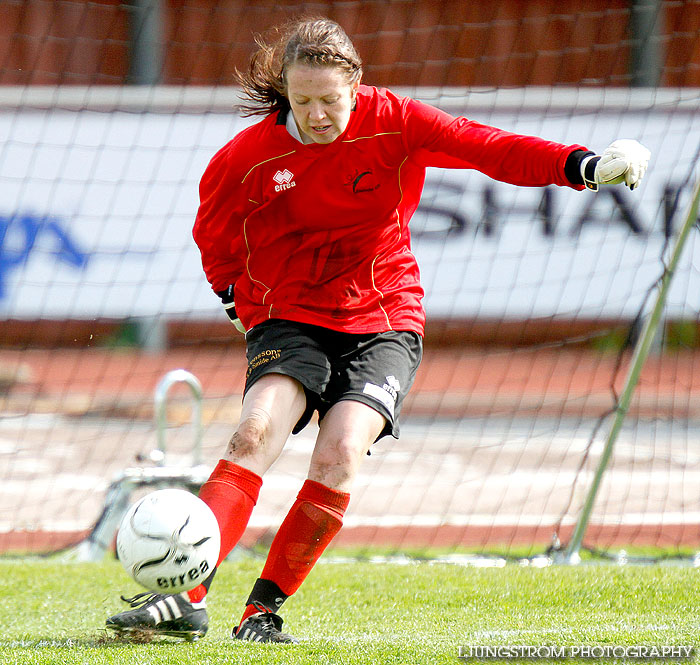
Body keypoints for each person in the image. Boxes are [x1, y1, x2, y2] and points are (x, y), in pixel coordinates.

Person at [106, 17, 651, 643]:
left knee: (339, 452)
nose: (315, 115)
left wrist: (581, 166)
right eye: (302, 100)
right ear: (286, 91)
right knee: (254, 432)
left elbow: (488, 146)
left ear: (356, 87)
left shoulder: (397, 120)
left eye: (329, 101)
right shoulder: (247, 157)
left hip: (384, 315)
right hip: (290, 313)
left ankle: (261, 611)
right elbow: (215, 235)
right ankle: (184, 599)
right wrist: (235, 300)